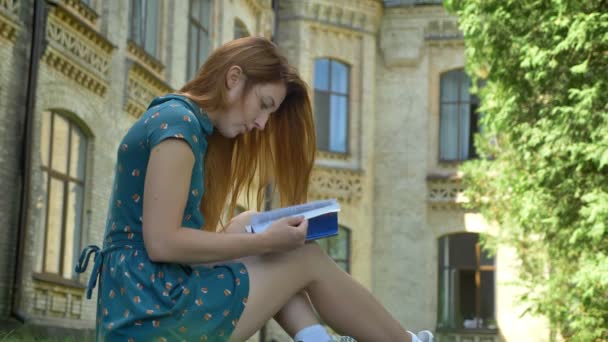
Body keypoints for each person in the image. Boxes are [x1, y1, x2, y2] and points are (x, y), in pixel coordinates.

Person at [75, 36, 434, 342]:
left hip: (142, 300)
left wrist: (245, 231)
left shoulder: (186, 124)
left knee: (257, 230)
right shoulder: (178, 124)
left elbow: (166, 243)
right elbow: (163, 242)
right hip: (151, 310)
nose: (262, 123)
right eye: (264, 105)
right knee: (299, 255)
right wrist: (264, 242)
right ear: (234, 78)